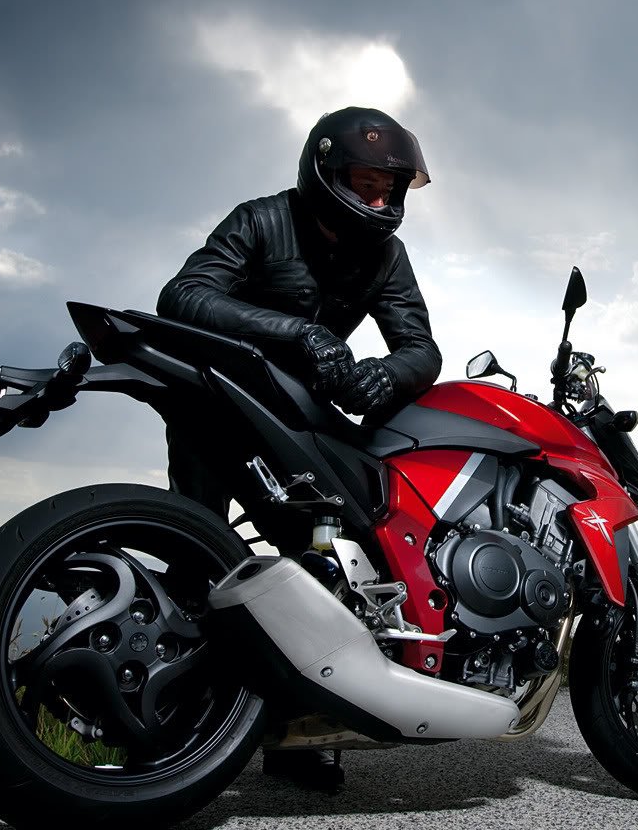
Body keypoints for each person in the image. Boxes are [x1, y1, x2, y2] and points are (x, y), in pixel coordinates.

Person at [156, 106, 443, 793]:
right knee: (195, 556)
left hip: (301, 423)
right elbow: (183, 295)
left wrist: (388, 373)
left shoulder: (385, 254)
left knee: (322, 568)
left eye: (389, 188)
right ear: (323, 171)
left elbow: (421, 347)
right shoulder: (261, 220)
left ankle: (298, 733)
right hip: (216, 406)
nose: (379, 200)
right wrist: (296, 333)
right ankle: (169, 726)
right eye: (366, 183)